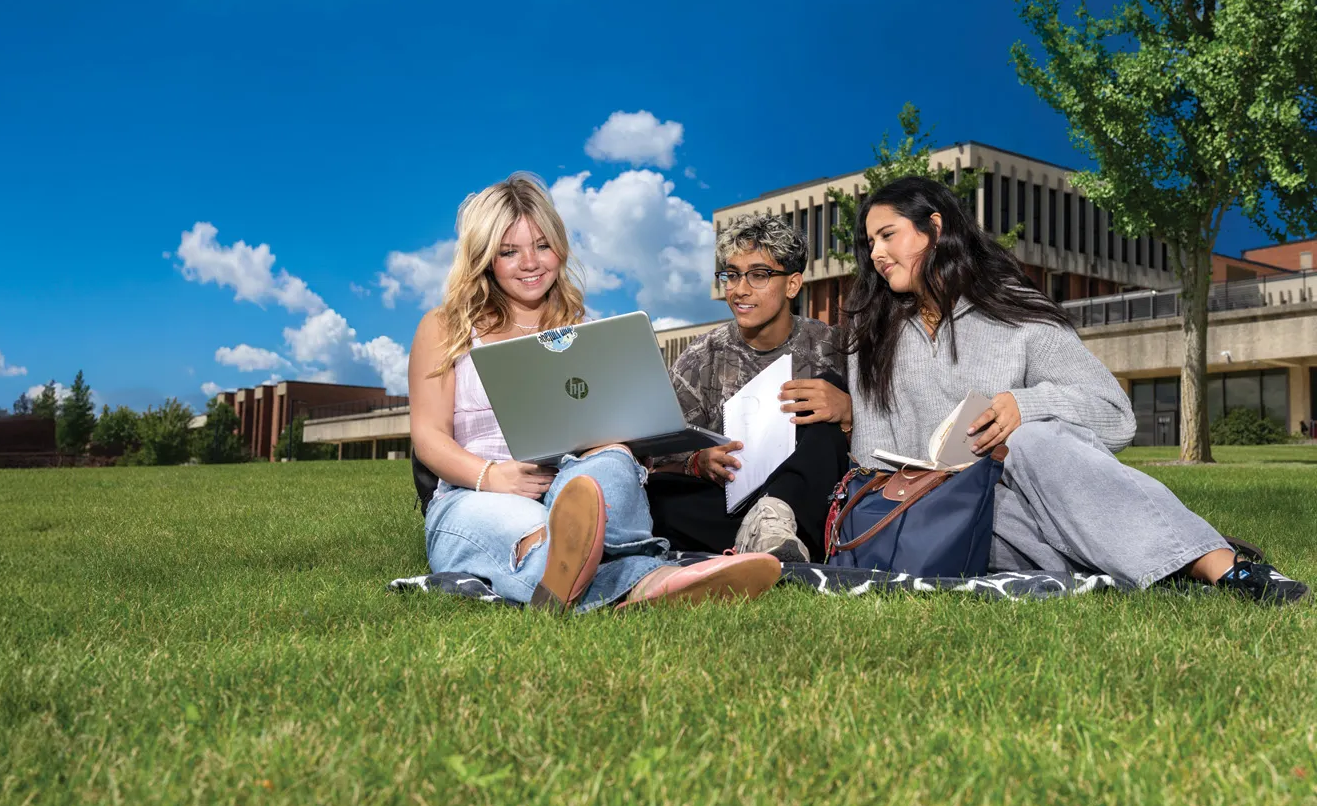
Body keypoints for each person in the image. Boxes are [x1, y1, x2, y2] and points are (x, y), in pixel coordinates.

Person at [841, 174, 1306, 603]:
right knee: (1016, 516)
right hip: (950, 520)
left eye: (888, 235)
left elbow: (1117, 416)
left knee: (1034, 437)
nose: (877, 254)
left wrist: (1026, 405)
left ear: (935, 228)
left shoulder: (1016, 313)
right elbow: (869, 454)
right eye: (870, 243)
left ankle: (1222, 567)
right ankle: (1161, 551)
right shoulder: (872, 336)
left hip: (1038, 496)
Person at [408, 173, 782, 610]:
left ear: (560, 248)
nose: (530, 262)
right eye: (509, 251)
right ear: (486, 257)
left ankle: (576, 573)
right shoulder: (446, 326)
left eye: (542, 246)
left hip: (573, 486)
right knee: (531, 529)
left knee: (611, 458)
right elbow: (428, 436)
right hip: (476, 494)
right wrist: (490, 476)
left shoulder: (584, 334)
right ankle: (646, 579)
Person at [647, 214, 854, 560]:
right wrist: (697, 462)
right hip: (732, 503)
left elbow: (877, 438)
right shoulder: (701, 357)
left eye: (759, 275)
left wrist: (847, 410)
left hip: (810, 500)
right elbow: (659, 456)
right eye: (731, 274)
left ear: (792, 284)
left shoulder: (833, 348)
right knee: (656, 496)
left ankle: (774, 524)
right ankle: (765, 542)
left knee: (825, 388)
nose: (739, 289)